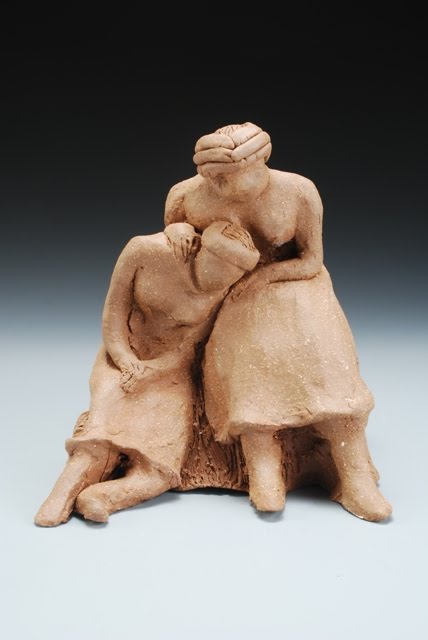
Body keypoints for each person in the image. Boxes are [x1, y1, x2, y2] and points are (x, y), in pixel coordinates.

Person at [164, 122, 392, 522]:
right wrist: (178, 230)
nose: (220, 186)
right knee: (245, 359)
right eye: (213, 178)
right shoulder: (186, 196)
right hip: (229, 295)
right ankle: (263, 465)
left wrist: (260, 279)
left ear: (261, 161)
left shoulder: (298, 191)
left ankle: (354, 474)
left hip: (293, 282)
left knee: (322, 351)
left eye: (230, 177)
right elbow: (178, 257)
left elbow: (311, 261)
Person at [35, 221, 260, 525]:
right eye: (218, 270)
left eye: (231, 277)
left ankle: (102, 497)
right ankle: (61, 495)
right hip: (122, 356)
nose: (220, 283)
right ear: (202, 251)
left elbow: (189, 349)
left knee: (161, 469)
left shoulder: (225, 291)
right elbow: (114, 315)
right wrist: (126, 360)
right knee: (99, 440)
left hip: (169, 374)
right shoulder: (145, 251)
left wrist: (154, 371)